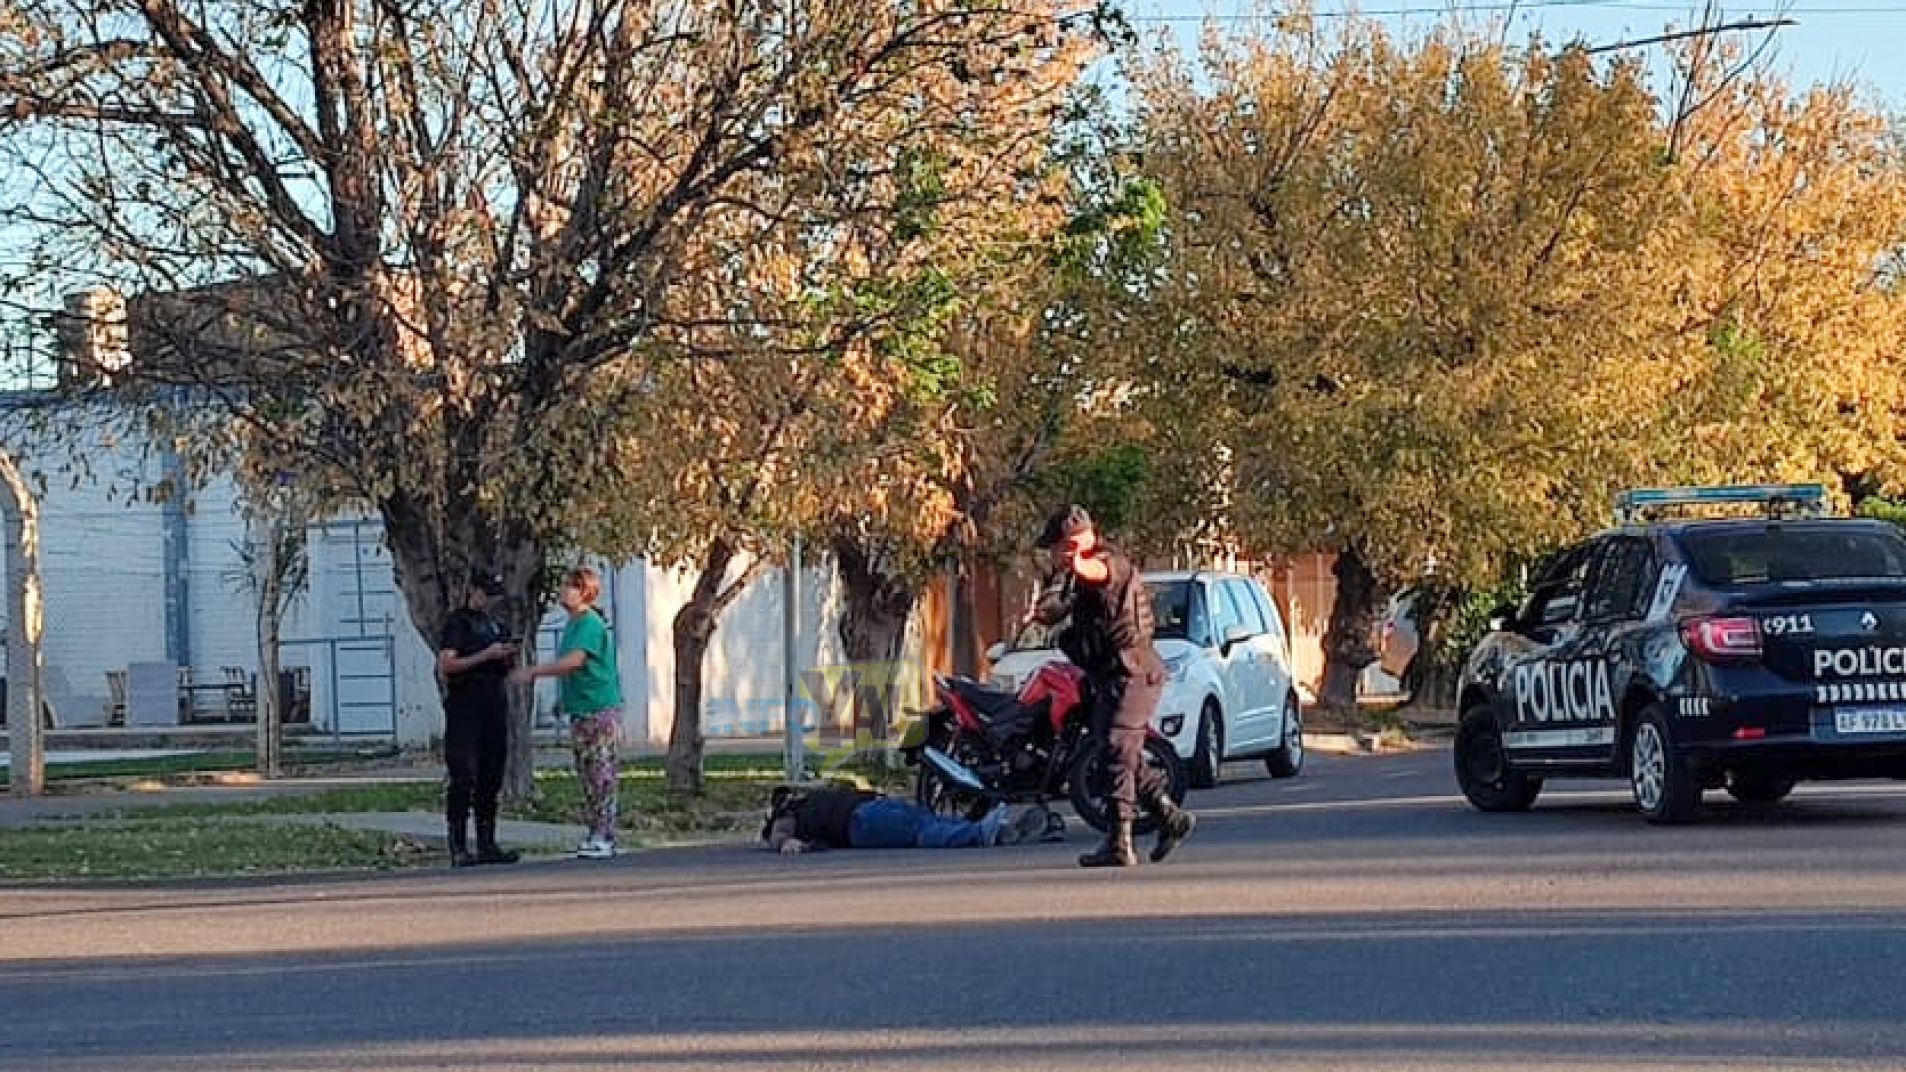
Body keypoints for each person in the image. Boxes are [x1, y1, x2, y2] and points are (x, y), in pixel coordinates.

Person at [1027, 504, 1196, 868]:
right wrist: (1045, 609)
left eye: (1056, 548)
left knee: (1118, 748)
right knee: (1116, 752)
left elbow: (1098, 572)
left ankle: (1120, 841)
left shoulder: (1107, 563)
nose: (1052, 556)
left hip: (1134, 673)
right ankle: (1169, 816)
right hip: (1110, 676)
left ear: (1069, 545)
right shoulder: (1078, 576)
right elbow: (1063, 605)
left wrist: (1075, 563)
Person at [509, 565, 623, 860]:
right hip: (580, 707)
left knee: (601, 772)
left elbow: (575, 661)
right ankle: (594, 830)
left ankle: (606, 835)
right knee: (586, 773)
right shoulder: (573, 624)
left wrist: (534, 672)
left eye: (569, 586)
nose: (563, 591)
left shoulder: (589, 624)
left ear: (584, 591)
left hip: (598, 707)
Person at [437, 569, 520, 867]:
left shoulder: (496, 626)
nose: (488, 601)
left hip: (493, 701)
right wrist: (485, 655)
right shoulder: (458, 623)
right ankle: (458, 844)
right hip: (465, 704)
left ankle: (487, 842)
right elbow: (448, 664)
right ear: (473, 591)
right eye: (485, 593)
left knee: (491, 772)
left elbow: (506, 668)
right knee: (464, 774)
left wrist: (506, 657)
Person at [760, 784, 1050, 854]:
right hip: (860, 822)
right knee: (920, 830)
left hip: (871, 808)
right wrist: (788, 843)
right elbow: (781, 837)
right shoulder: (788, 815)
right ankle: (984, 833)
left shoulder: (809, 801)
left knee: (926, 819)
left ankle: (996, 829)